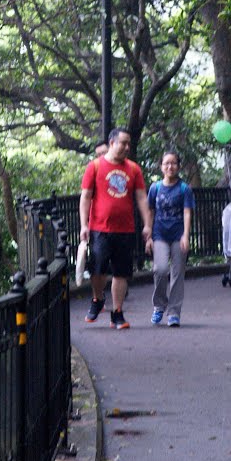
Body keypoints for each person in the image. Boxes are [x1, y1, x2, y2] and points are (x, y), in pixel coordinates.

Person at [79, 127, 152, 329]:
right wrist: (83, 225)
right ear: (112, 143)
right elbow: (85, 197)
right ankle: (97, 299)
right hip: (100, 228)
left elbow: (141, 198)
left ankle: (117, 313)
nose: (127, 147)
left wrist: (147, 224)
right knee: (98, 268)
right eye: (124, 143)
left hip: (125, 229)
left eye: (129, 143)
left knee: (121, 272)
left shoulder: (134, 169)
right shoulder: (94, 167)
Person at [147, 150, 194, 327]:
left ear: (178, 166)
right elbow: (150, 212)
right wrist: (148, 236)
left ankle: (174, 312)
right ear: (161, 167)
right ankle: (159, 305)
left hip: (178, 234)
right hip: (159, 233)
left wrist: (186, 236)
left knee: (177, 272)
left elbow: (187, 212)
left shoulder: (184, 189)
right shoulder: (155, 188)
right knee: (160, 269)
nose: (170, 166)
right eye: (166, 163)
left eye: (173, 163)